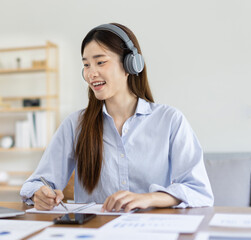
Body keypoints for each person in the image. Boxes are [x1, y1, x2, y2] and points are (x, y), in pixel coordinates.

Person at [20, 23, 214, 212]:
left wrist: (147, 198)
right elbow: (37, 183)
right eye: (86, 65)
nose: (91, 73)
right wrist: (40, 193)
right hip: (93, 231)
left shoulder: (170, 120)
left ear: (130, 63)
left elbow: (198, 191)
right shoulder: (75, 124)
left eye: (100, 62)